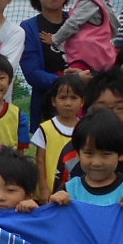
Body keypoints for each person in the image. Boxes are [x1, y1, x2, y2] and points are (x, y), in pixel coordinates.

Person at [53, 70, 123, 216]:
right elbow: (59, 206)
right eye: (101, 108)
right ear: (87, 112)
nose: (111, 115)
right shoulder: (73, 152)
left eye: (120, 108)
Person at [47, 109, 123, 238]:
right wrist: (53, 204)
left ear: (121, 154)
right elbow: (55, 230)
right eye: (89, 153)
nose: (96, 162)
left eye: (106, 154)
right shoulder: (70, 189)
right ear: (78, 153)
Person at [19, 0, 73, 123]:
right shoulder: (28, 28)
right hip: (47, 109)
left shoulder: (78, 22)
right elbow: (32, 73)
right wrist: (71, 84)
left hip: (83, 106)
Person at [32, 73, 86, 202]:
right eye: (63, 97)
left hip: (79, 192)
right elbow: (40, 161)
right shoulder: (46, 128)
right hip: (50, 192)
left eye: (73, 98)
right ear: (53, 101)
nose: (68, 103)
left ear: (82, 101)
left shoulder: (86, 128)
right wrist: (44, 188)